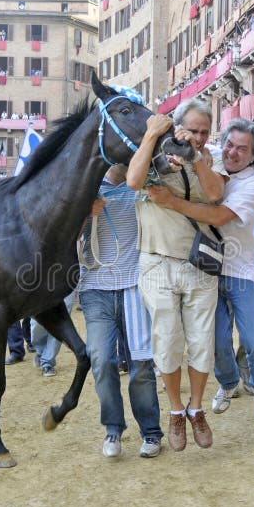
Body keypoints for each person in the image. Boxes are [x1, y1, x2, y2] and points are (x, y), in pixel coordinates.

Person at [150, 119, 254, 426]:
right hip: (205, 268)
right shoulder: (213, 157)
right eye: (229, 144)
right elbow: (188, 144)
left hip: (240, 270)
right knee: (215, 342)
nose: (232, 153)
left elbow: (220, 216)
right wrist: (181, 135)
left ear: (253, 154)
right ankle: (228, 382)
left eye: (241, 149)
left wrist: (173, 202)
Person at [127, 97, 225, 452]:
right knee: (166, 341)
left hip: (198, 263)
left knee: (201, 341)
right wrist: (153, 135)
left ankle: (197, 409)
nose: (198, 136)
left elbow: (215, 194)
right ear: (178, 125)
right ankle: (175, 411)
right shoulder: (154, 152)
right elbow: (133, 181)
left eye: (204, 131)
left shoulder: (209, 159)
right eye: (193, 130)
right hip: (155, 260)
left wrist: (195, 155)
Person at [79, 164, 163, 458]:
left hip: (135, 286)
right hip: (95, 287)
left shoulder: (143, 187)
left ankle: (151, 432)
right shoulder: (88, 188)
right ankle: (113, 428)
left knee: (141, 363)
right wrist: (87, 213)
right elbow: (67, 234)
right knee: (101, 359)